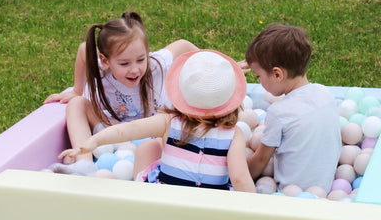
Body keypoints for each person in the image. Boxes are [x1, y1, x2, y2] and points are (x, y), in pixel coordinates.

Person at [59, 50, 256, 193]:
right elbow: (239, 177)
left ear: (181, 93)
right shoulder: (233, 134)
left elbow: (128, 130)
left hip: (167, 201)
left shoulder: (168, 122)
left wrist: (94, 141)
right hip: (212, 205)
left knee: (148, 156)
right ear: (232, 99)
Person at [46, 11, 198, 166]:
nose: (134, 70)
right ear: (105, 61)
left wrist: (215, 70)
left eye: (140, 59)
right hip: (111, 134)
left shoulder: (156, 64)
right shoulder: (103, 68)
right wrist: (76, 91)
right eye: (124, 64)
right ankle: (84, 164)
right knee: (77, 103)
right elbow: (83, 50)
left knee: (169, 132)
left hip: (153, 136)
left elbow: (184, 45)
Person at [239, 23, 341, 193]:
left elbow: (261, 161)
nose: (258, 81)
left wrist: (234, 176)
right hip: (325, 188)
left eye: (258, 76)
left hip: (290, 195)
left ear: (277, 74)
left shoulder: (279, 112)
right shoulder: (325, 94)